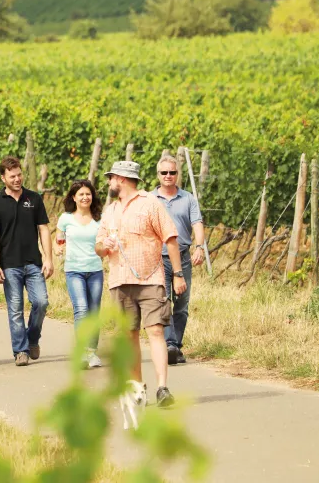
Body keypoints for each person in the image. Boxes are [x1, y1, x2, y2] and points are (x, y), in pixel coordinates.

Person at [95, 160, 186, 408]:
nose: (109, 182)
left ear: (122, 179)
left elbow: (170, 238)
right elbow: (98, 246)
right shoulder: (110, 210)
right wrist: (104, 246)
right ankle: (138, 388)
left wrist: (178, 274)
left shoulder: (150, 204)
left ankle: (162, 388)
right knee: (129, 335)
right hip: (119, 280)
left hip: (150, 279)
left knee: (155, 331)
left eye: (111, 178)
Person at [0, 156, 52, 367]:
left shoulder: (34, 198)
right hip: (9, 265)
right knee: (15, 309)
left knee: (41, 302)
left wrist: (48, 258)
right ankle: (21, 350)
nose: (17, 179)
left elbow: (43, 229)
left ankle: (32, 338)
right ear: (3, 178)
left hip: (33, 262)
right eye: (12, 176)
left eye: (19, 175)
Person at [154, 155, 206, 366]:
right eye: (164, 172)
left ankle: (176, 344)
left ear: (177, 174)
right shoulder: (150, 199)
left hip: (183, 256)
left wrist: (200, 247)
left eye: (172, 172)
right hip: (157, 258)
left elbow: (197, 223)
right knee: (164, 301)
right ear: (158, 175)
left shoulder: (188, 199)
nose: (168, 176)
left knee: (182, 305)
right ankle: (170, 346)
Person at [54, 179, 105, 370]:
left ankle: (92, 352)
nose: (85, 197)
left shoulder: (100, 219)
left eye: (88, 194)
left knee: (93, 312)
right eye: (81, 194)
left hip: (95, 270)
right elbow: (58, 239)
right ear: (74, 198)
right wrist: (57, 248)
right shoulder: (66, 218)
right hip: (74, 270)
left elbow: (106, 241)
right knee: (82, 309)